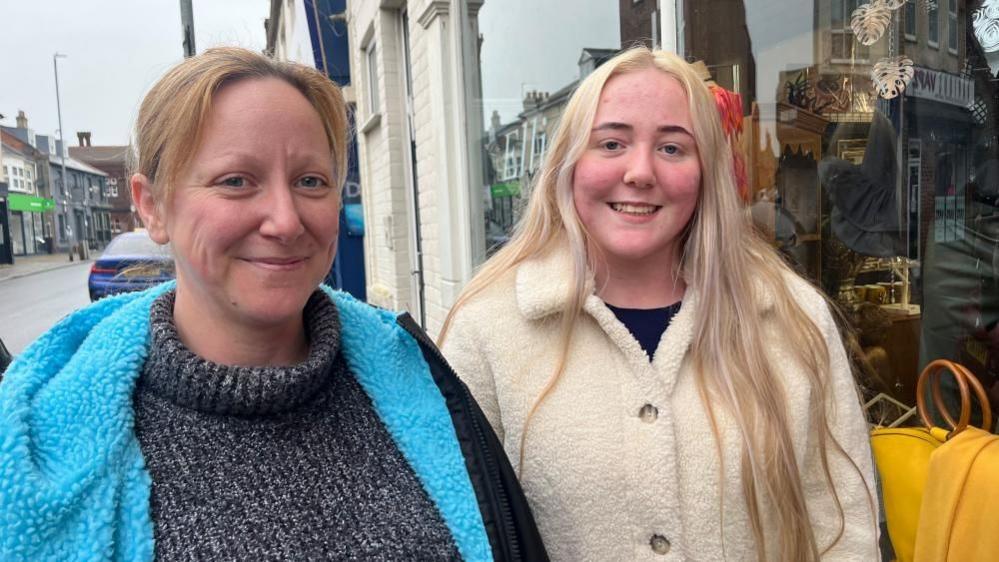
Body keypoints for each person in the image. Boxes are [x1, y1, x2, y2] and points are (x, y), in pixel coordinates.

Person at [0, 47, 545, 561]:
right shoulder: (40, 445)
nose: (285, 221)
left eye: (311, 181)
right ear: (152, 207)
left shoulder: (420, 380)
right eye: (236, 181)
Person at [440, 47, 878, 561]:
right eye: (611, 143)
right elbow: (457, 535)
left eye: (672, 148)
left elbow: (843, 526)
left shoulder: (792, 318)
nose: (640, 171)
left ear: (706, 172)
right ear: (569, 162)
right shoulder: (487, 330)